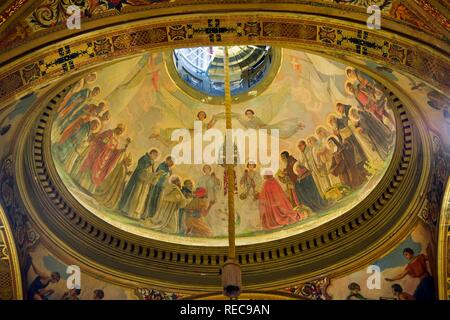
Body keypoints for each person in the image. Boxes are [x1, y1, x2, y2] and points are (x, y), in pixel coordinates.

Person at [119, 149, 160, 219]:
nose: (155, 157)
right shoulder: (144, 158)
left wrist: (155, 175)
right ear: (151, 153)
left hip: (145, 181)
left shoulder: (152, 162)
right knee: (135, 194)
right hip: (138, 180)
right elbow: (140, 168)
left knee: (141, 197)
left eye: (157, 156)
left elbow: (151, 171)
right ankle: (128, 210)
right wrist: (149, 166)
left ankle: (135, 213)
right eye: (155, 155)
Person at [238, 161, 262, 232]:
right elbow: (241, 183)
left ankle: (256, 225)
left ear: (254, 166)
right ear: (248, 166)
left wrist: (256, 186)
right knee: (246, 208)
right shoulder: (245, 174)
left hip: (254, 192)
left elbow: (260, 181)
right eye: (249, 165)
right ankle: (247, 224)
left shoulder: (256, 174)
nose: (251, 167)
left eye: (252, 165)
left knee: (255, 208)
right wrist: (244, 178)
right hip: (247, 192)